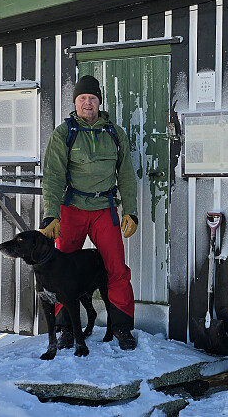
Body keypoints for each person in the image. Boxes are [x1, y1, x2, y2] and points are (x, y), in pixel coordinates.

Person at [40, 74, 139, 350]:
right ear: (76, 102)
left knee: (116, 268)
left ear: (99, 102)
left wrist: (130, 210)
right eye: (82, 98)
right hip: (72, 209)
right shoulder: (65, 133)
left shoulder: (115, 134)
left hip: (104, 210)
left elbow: (127, 175)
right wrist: (51, 214)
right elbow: (53, 176)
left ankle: (121, 327)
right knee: (61, 270)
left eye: (92, 98)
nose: (87, 103)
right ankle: (66, 328)